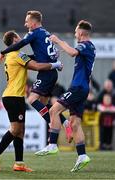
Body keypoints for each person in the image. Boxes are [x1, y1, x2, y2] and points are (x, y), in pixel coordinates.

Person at [0, 31, 62, 172]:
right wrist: (55, 64)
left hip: (14, 97)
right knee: (15, 130)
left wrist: (48, 58)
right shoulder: (17, 55)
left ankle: (19, 163)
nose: (21, 38)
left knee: (20, 131)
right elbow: (37, 66)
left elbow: (34, 58)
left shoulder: (11, 55)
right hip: (13, 97)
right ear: (15, 39)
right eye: (18, 37)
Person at [0, 10, 71, 142]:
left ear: (33, 22)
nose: (25, 24)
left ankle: (51, 125)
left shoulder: (33, 33)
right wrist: (56, 63)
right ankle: (66, 124)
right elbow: (42, 56)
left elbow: (21, 45)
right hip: (51, 73)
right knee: (44, 104)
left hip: (46, 73)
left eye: (27, 21)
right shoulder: (45, 33)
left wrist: (3, 51)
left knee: (32, 99)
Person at [35, 20, 96, 172]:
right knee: (75, 123)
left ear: (81, 33)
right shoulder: (88, 48)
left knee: (53, 111)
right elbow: (73, 52)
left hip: (78, 88)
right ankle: (82, 156)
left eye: (76, 32)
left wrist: (58, 41)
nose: (75, 34)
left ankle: (53, 144)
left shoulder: (86, 45)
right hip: (82, 89)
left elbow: (73, 52)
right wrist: (60, 51)